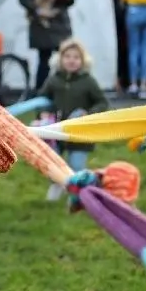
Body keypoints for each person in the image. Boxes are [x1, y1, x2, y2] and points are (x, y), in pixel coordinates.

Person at [38, 38, 109, 201]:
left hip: (79, 132)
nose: (72, 60)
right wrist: (43, 113)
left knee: (76, 167)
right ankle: (57, 184)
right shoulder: (54, 80)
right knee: (52, 164)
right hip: (56, 132)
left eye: (76, 57)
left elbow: (102, 102)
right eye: (68, 56)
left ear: (83, 61)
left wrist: (88, 113)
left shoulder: (88, 81)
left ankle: (81, 195)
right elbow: (42, 98)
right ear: (60, 59)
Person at [18, 0, 76, 90]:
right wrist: (38, 10)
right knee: (45, 60)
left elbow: (69, 0)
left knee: (64, 58)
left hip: (60, 24)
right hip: (43, 26)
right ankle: (41, 91)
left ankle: (61, 90)